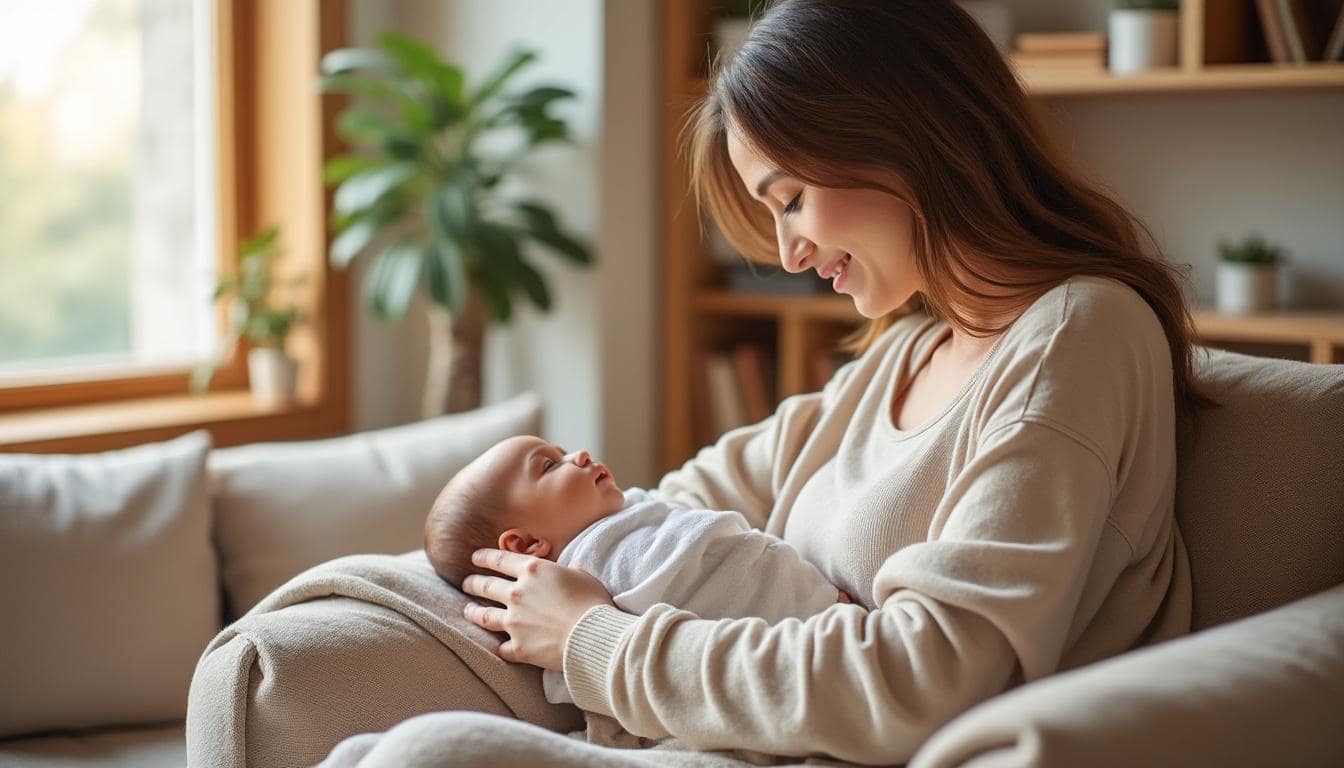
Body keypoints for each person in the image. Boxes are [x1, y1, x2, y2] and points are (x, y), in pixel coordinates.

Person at [457, 0, 1211, 763]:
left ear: (905, 136)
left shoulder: (1076, 336)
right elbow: (681, 503)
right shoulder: (905, 353)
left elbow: (927, 681)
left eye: (790, 200)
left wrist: (598, 642)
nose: (788, 253)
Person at [421, 434, 850, 705]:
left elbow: (719, 556)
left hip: (818, 656)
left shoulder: (630, 516)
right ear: (526, 545)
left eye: (561, 451)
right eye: (550, 465)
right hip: (803, 643)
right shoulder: (595, 565)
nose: (580, 455)